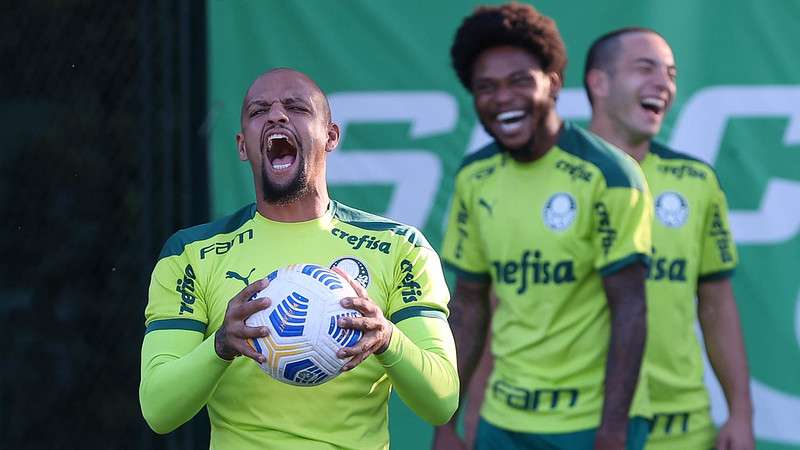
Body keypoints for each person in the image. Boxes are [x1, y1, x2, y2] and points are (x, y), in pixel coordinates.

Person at [139, 68, 459, 449]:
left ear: (330, 137)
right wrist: (221, 344)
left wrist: (387, 338)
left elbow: (442, 402)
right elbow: (158, 410)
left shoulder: (400, 246)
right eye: (259, 111)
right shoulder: (191, 253)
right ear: (243, 146)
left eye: (296, 107)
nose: (277, 115)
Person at [433, 4, 654, 450]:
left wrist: (613, 430)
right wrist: (445, 424)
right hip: (503, 421)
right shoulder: (474, 178)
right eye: (486, 87)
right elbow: (470, 307)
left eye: (519, 81)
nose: (503, 99)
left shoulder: (609, 175)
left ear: (552, 84)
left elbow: (630, 311)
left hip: (589, 425)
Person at [584, 27, 754, 450]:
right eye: (646, 68)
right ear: (598, 82)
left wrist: (741, 413)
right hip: (578, 427)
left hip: (683, 429)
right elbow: (499, 306)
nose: (664, 83)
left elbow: (716, 303)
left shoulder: (696, 180)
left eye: (672, 74)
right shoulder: (554, 176)